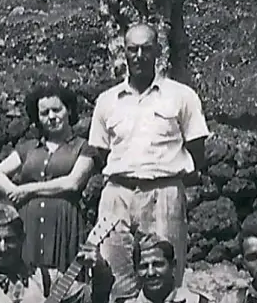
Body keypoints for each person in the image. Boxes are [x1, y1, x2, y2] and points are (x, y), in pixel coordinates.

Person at [85, 23, 210, 277]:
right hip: (117, 196)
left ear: (158, 51)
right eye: (133, 49)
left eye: (146, 49)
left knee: (165, 275)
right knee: (113, 275)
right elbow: (101, 152)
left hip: (163, 194)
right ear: (124, 52)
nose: (139, 55)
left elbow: (196, 148)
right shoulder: (107, 100)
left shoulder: (181, 96)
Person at [0, 84, 94, 270]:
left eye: (56, 110)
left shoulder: (83, 147)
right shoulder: (29, 148)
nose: (51, 117)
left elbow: (73, 183)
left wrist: (27, 190)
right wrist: (14, 192)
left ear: (68, 110)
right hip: (29, 226)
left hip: (64, 225)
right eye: (44, 113)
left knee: (66, 280)